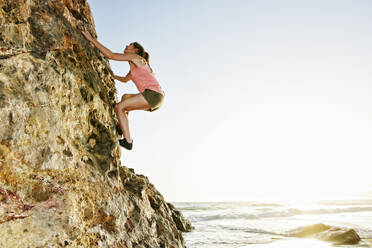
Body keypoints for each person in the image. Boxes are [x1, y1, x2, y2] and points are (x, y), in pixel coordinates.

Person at [81, 30, 165, 150]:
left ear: (136, 50)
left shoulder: (136, 57)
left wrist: (91, 39)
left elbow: (111, 55)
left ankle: (128, 141)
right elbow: (125, 80)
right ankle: (122, 126)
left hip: (153, 95)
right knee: (125, 97)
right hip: (156, 98)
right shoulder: (134, 67)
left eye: (130, 45)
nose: (126, 46)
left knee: (118, 107)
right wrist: (112, 75)